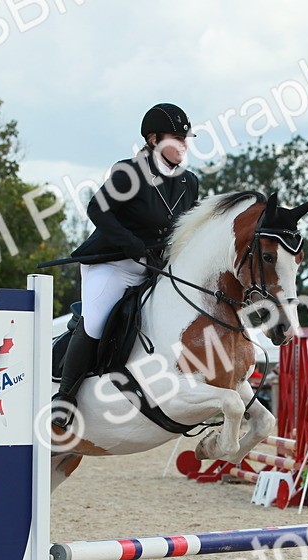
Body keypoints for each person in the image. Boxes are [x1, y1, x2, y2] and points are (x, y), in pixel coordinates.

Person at [51, 103, 201, 430]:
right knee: (96, 320)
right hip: (113, 265)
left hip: (155, 270)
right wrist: (130, 242)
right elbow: (97, 210)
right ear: (153, 138)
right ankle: (65, 396)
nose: (183, 145)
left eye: (184, 139)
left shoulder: (189, 184)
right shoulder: (129, 173)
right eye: (176, 138)